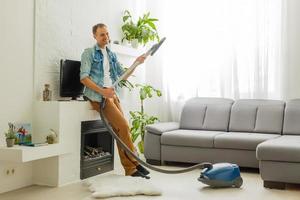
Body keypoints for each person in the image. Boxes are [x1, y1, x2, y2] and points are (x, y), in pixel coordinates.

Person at [80, 23, 150, 179]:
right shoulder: (89, 53)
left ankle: (131, 168)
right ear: (95, 36)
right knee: (123, 126)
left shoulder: (111, 54)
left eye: (107, 34)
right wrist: (102, 91)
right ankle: (134, 163)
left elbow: (122, 75)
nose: (106, 37)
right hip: (98, 97)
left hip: (112, 96)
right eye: (102, 35)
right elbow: (84, 78)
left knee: (122, 129)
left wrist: (137, 62)